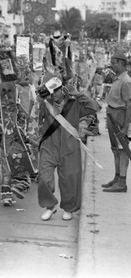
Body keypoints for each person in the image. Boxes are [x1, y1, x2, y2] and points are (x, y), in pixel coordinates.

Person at [37, 76, 99, 221]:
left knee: (70, 179)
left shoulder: (74, 103)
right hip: (49, 146)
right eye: (51, 91)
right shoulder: (46, 103)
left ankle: (69, 208)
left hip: (70, 146)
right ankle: (49, 205)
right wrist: (40, 97)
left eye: (56, 91)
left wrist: (79, 95)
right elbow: (35, 115)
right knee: (44, 178)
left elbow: (94, 107)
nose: (54, 94)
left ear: (62, 89)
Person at [102, 53, 131, 193]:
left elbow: (129, 105)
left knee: (122, 150)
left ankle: (122, 182)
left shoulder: (126, 81)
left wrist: (125, 127)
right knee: (115, 150)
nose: (112, 65)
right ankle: (117, 177)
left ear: (121, 63)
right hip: (113, 116)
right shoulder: (118, 79)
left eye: (114, 62)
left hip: (120, 117)